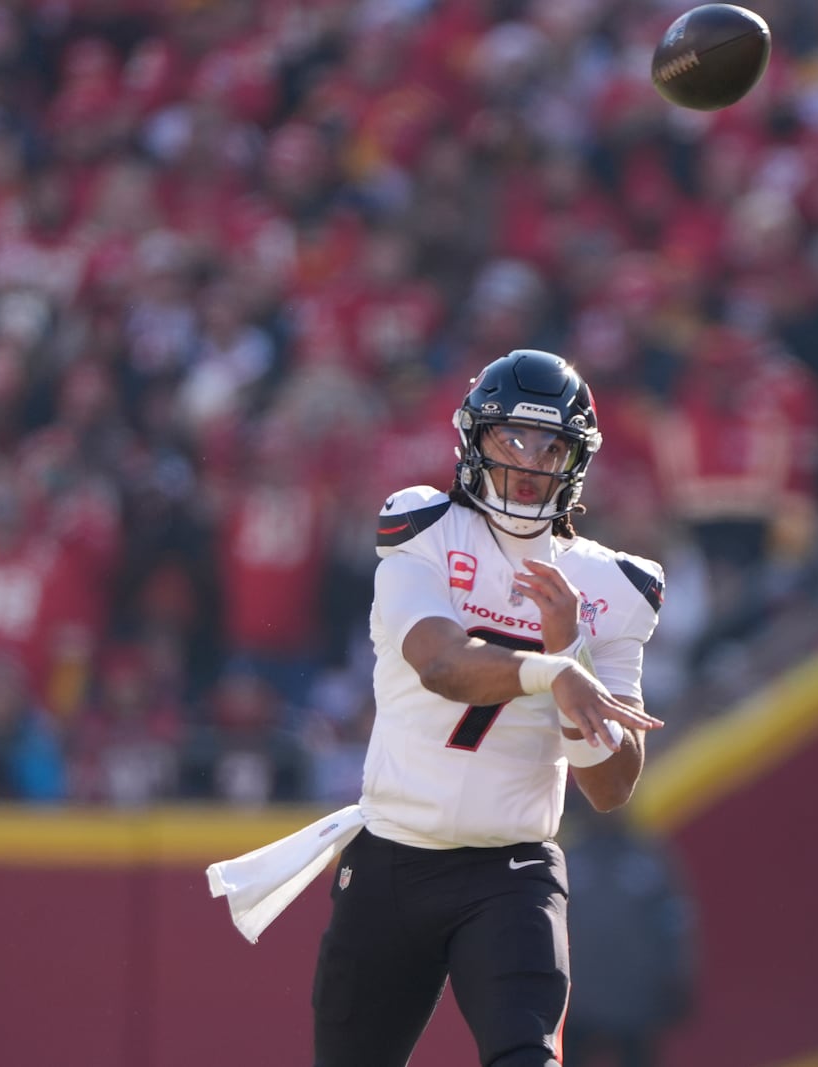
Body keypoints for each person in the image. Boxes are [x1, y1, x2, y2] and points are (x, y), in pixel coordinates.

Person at [208, 349, 666, 1067]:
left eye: (550, 445)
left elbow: (610, 788)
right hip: (393, 856)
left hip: (510, 867)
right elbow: (442, 666)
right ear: (473, 440)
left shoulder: (614, 585)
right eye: (509, 437)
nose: (527, 460)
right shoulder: (424, 529)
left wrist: (572, 653)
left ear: (577, 460)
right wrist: (553, 671)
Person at [560, 791, 697, 1067]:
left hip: (635, 995)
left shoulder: (648, 859)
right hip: (578, 998)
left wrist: (679, 973)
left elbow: (674, 920)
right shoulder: (569, 860)